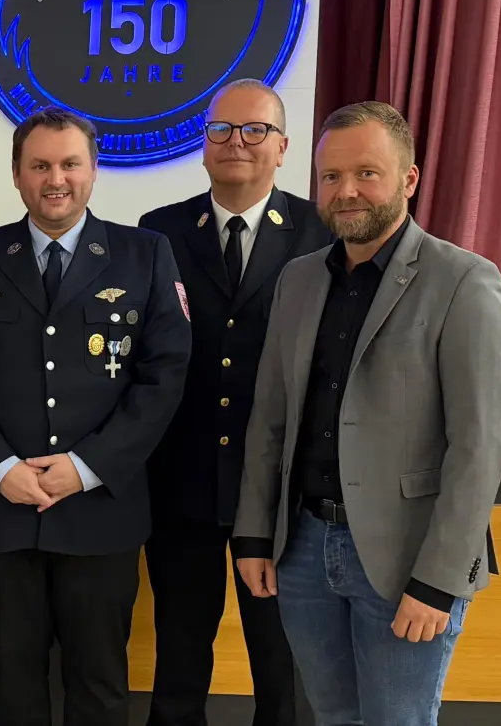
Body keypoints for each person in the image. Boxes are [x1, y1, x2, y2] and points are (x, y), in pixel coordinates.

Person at [233, 101, 501, 726]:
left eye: (366, 173)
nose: (346, 190)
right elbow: (270, 419)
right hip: (302, 550)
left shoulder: (465, 281)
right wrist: (254, 534)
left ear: (408, 180)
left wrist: (438, 581)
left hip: (403, 558)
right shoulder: (298, 281)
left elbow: (479, 447)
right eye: (331, 176)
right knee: (334, 718)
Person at [0, 107, 190, 726]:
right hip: (3, 511)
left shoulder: (144, 255)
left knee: (99, 682)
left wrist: (87, 466)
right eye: (40, 165)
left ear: (94, 171)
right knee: (12, 682)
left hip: (102, 512)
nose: (56, 179)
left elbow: (164, 375)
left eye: (71, 164)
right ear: (16, 175)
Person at [136, 79, 329, 726]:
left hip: (280, 494)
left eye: (254, 131)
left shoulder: (318, 231)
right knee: (181, 662)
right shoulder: (159, 232)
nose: (235, 142)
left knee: (281, 667)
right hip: (183, 485)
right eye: (220, 129)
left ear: (282, 147)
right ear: (202, 144)